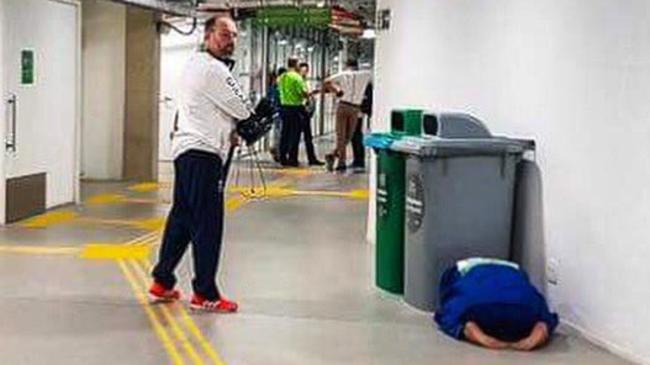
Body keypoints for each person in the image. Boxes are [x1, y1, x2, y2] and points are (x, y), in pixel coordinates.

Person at [149, 15, 252, 313]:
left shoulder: (195, 63)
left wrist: (226, 128)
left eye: (233, 35)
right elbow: (243, 109)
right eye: (223, 34)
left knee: (182, 218)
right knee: (208, 223)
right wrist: (241, 123)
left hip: (188, 151)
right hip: (204, 156)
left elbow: (215, 109)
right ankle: (205, 292)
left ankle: (162, 280)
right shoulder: (213, 69)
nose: (230, 40)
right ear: (208, 35)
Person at [434, 258, 559, 351]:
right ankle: (541, 328)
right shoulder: (515, 269)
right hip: (523, 304)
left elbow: (446, 294)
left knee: (453, 312)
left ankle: (468, 328)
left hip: (477, 303)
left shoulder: (460, 268)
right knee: (540, 313)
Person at [322, 59, 372, 172]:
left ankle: (332, 155)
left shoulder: (342, 74)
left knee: (343, 136)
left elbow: (326, 81)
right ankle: (341, 163)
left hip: (343, 106)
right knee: (348, 136)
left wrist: (336, 91)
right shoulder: (365, 75)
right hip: (355, 108)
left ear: (346, 65)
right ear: (357, 65)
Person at [297, 62, 324, 166]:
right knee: (296, 136)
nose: (304, 73)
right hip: (300, 110)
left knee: (308, 136)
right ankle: (291, 157)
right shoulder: (298, 81)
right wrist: (311, 93)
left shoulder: (305, 82)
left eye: (306, 71)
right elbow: (302, 94)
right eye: (303, 70)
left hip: (305, 112)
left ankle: (312, 158)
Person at [350, 81, 373, 172]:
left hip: (358, 113)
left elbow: (366, 100)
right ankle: (357, 160)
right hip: (355, 112)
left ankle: (359, 161)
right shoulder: (361, 84)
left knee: (357, 136)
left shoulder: (365, 85)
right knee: (354, 136)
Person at [268, 67, 287, 162]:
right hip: (279, 112)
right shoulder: (277, 87)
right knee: (279, 133)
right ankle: (277, 151)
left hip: (278, 112)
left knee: (278, 133)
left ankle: (276, 150)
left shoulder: (274, 87)